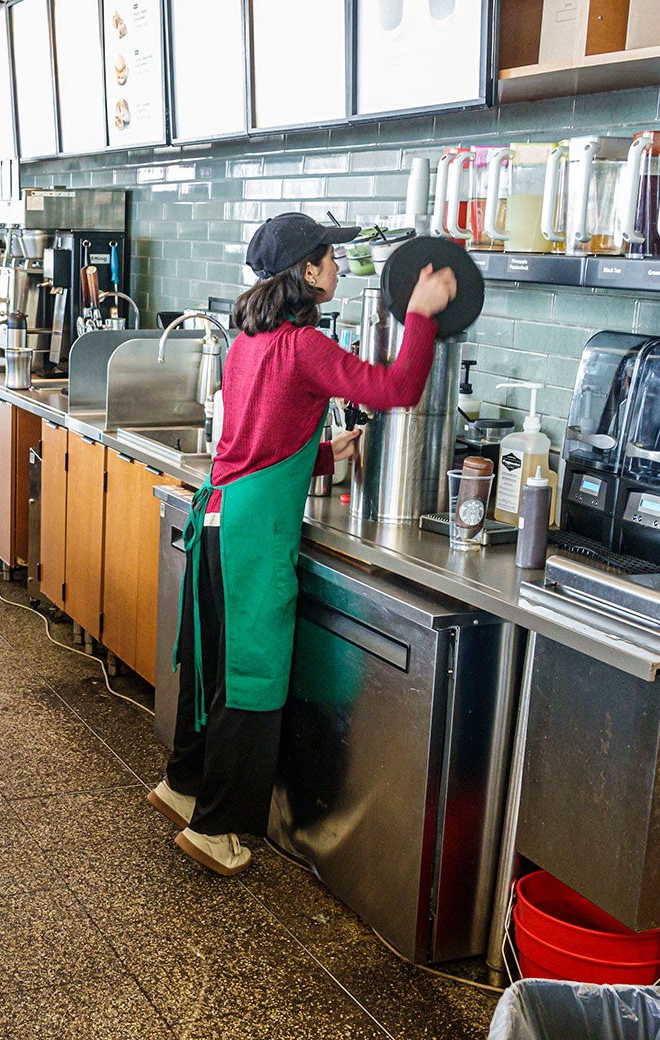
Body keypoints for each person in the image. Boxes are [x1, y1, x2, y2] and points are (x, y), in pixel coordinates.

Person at [147, 212, 458, 876]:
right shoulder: (305, 346)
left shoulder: (247, 342)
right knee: (251, 683)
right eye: (331, 258)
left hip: (218, 518)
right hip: (255, 535)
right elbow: (398, 389)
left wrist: (321, 456)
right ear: (307, 273)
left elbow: (253, 440)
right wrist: (422, 316)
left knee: (213, 669)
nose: (339, 267)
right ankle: (217, 831)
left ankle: (184, 784)